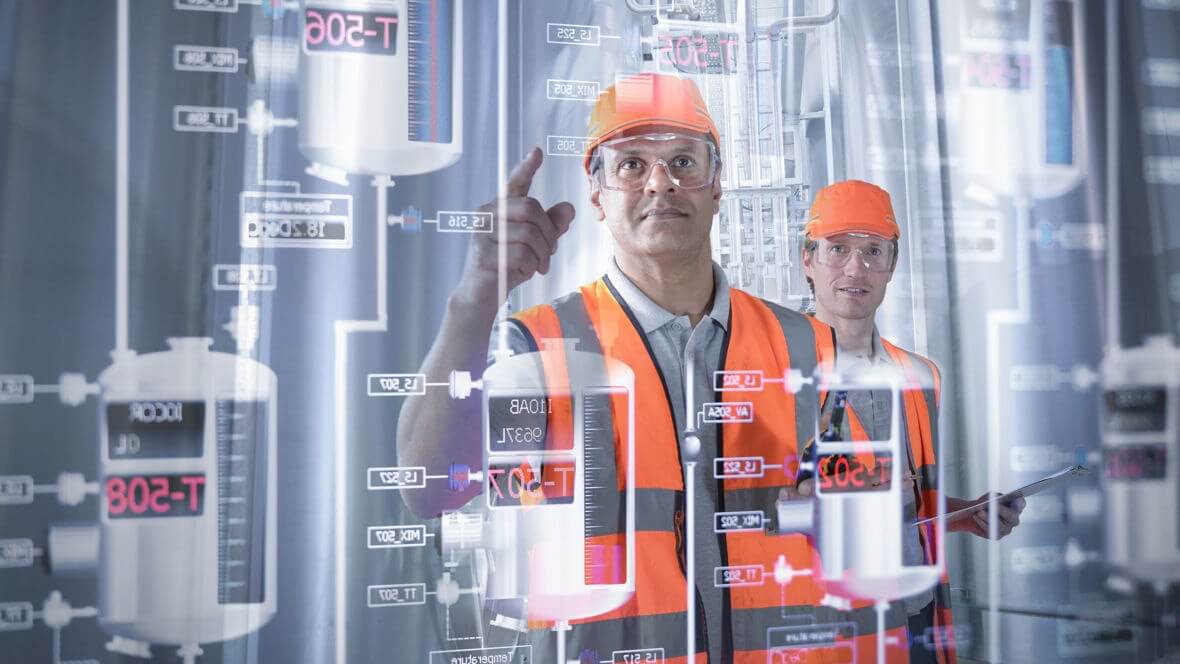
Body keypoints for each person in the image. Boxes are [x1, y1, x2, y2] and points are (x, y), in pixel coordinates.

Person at [397, 72, 839, 663]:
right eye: (632, 164)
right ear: (598, 193)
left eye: (683, 160)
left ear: (717, 186)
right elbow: (429, 489)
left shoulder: (811, 346)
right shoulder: (536, 349)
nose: (661, 183)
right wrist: (476, 297)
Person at [796, 179, 1028, 663]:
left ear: (892, 264)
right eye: (838, 250)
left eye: (873, 251)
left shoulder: (920, 375)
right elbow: (754, 513)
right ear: (808, 260)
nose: (855, 268)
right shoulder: (776, 375)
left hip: (915, 616)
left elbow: (912, 502)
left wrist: (967, 514)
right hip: (825, 628)